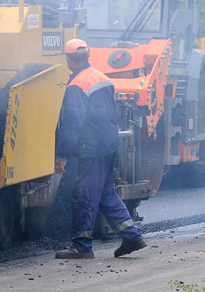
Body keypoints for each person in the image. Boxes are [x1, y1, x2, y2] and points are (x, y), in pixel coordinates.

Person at [54, 38, 148, 259]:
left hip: (93, 146)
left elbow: (73, 122)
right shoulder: (102, 78)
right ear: (87, 56)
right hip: (110, 143)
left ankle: (82, 246)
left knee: (83, 195)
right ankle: (132, 236)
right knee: (106, 192)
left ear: (68, 59)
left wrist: (62, 154)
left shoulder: (77, 84)